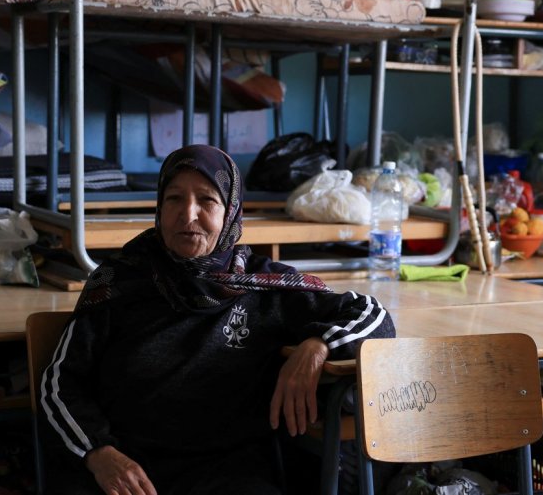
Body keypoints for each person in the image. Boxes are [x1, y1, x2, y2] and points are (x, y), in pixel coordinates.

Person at [40, 144, 395, 495]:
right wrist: (97, 452)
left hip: (228, 473)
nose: (187, 214)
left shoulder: (265, 286)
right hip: (125, 469)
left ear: (230, 212)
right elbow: (60, 382)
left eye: (207, 200)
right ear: (159, 208)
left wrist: (318, 346)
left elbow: (374, 315)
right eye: (174, 199)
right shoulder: (118, 282)